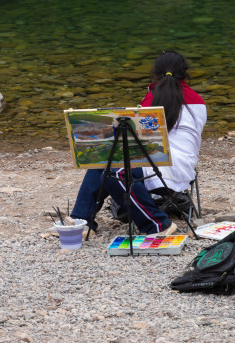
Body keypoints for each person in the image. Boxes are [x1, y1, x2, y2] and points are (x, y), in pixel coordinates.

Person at [70, 51, 207, 235]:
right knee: (106, 160)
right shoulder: (199, 102)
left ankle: (157, 224)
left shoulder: (151, 99)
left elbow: (140, 141)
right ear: (185, 73)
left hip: (170, 166)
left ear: (155, 75)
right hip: (179, 165)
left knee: (115, 171)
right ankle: (81, 221)